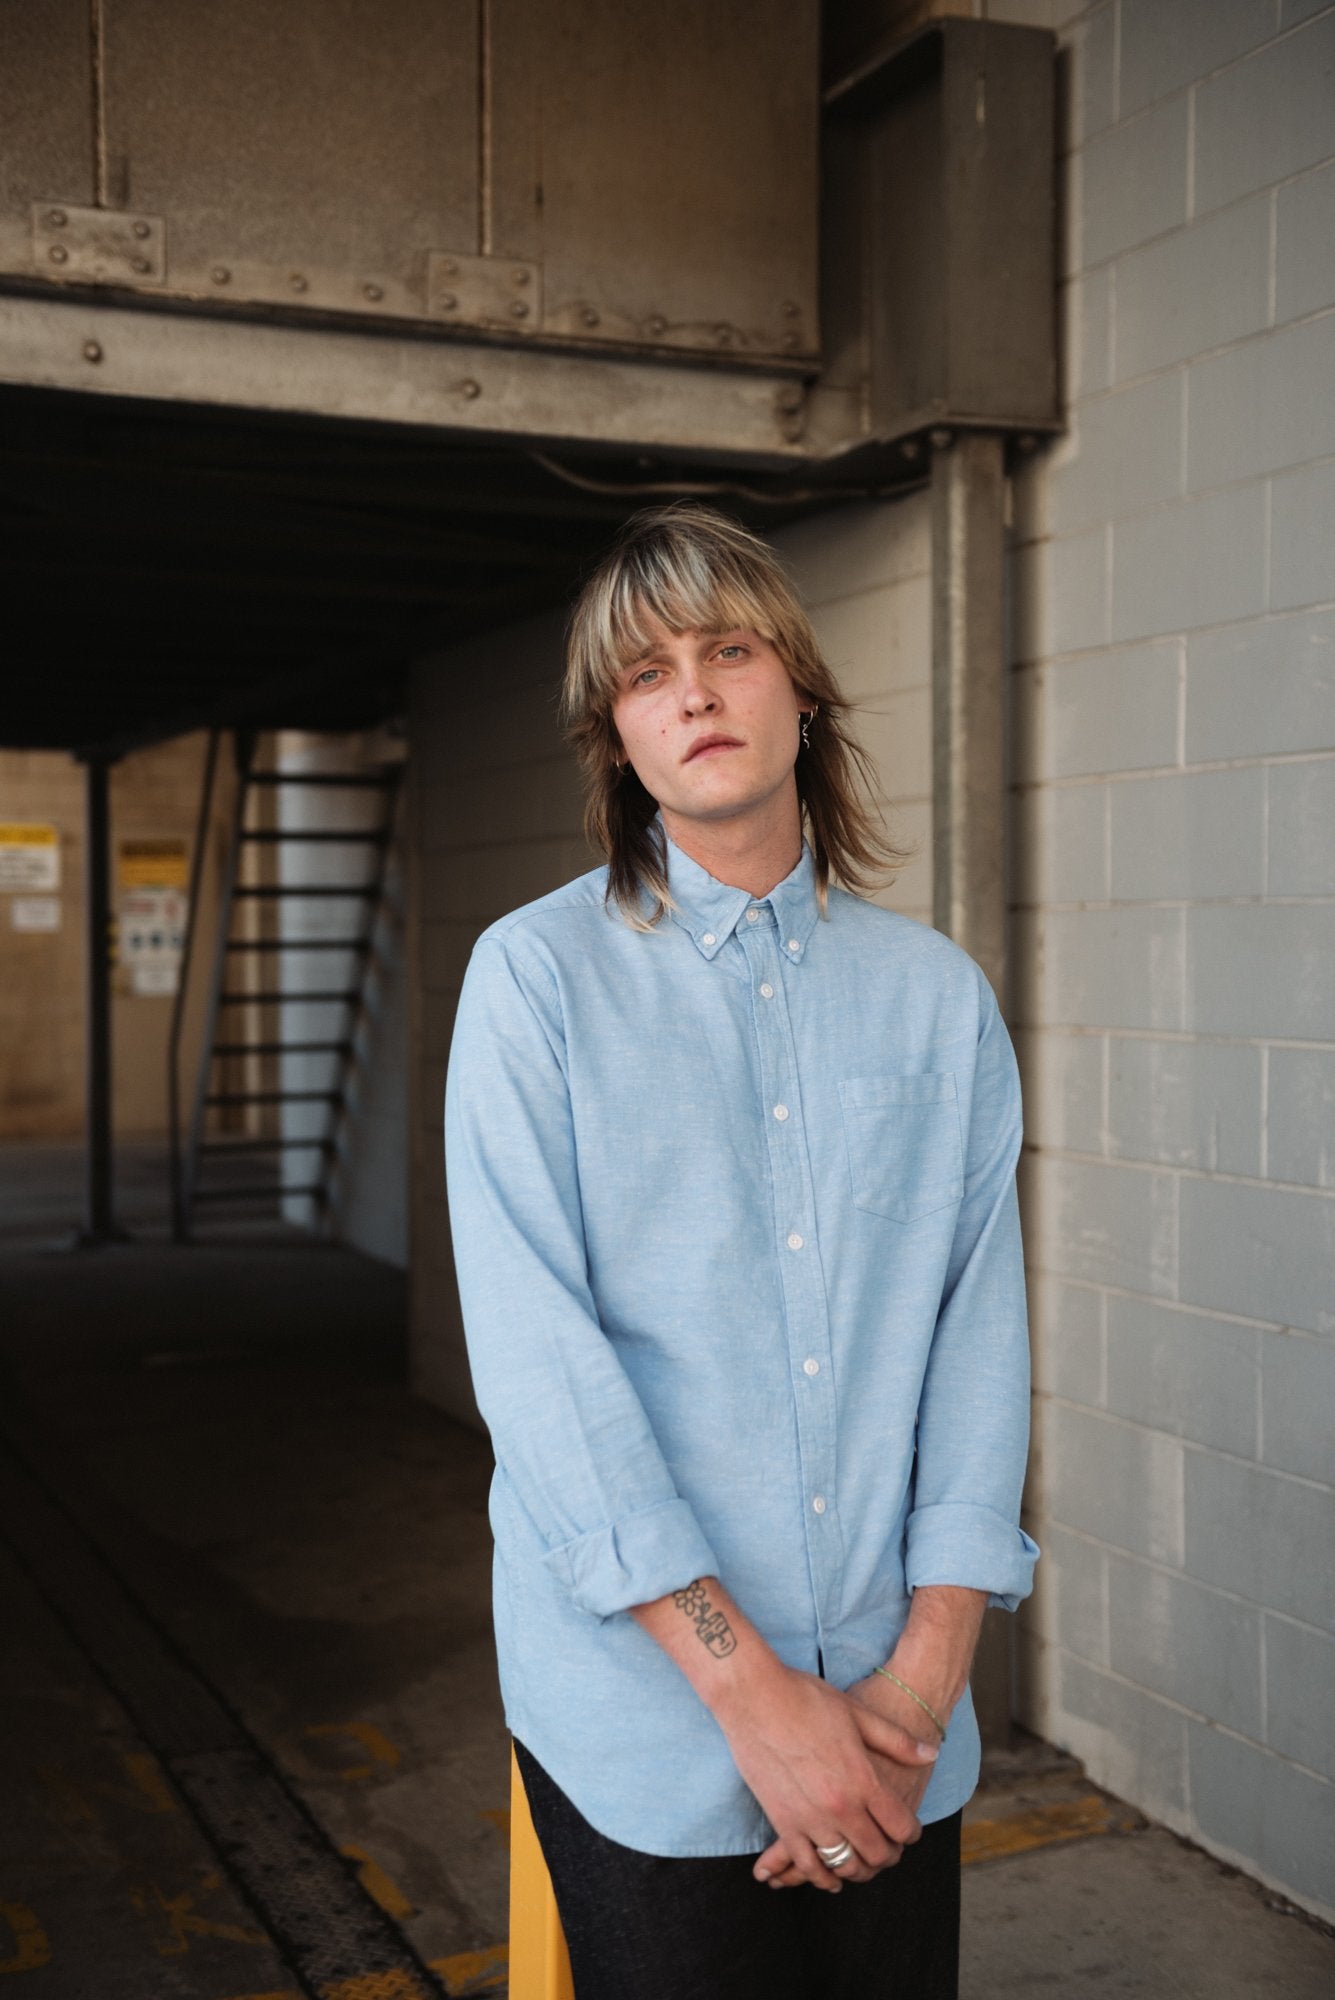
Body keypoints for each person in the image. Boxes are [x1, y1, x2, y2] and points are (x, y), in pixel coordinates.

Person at [445, 503, 1037, 1999]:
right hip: (647, 1727)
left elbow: (976, 1342)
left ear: (802, 690)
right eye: (647, 675)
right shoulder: (533, 982)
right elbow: (542, 1368)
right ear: (618, 738)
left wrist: (921, 1684)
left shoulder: (938, 999)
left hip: (902, 1724)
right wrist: (756, 1697)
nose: (695, 694)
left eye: (729, 651)